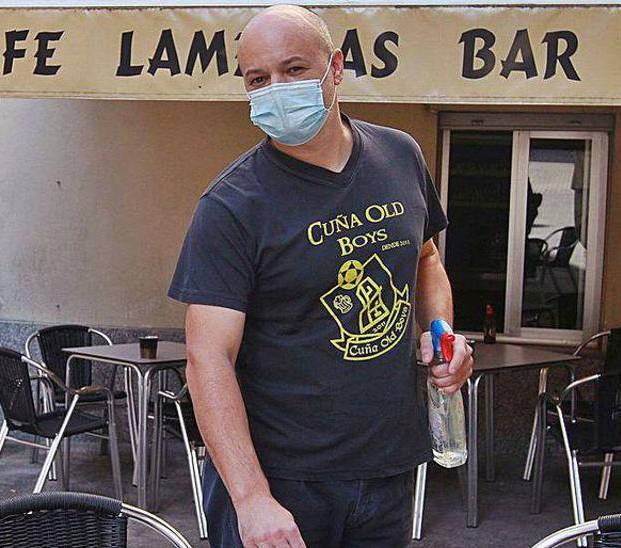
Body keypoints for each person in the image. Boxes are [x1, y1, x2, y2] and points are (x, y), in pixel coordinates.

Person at [168, 6, 474, 547]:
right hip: (282, 482)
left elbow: (426, 261)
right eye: (258, 79)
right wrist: (251, 499)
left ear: (335, 68)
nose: (276, 89)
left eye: (293, 70)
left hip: (388, 467)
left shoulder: (400, 156)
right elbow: (207, 359)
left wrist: (441, 334)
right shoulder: (232, 206)